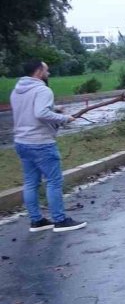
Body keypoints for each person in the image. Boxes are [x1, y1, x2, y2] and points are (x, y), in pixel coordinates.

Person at [10, 60, 87, 233]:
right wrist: (65, 118)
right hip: (41, 143)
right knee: (53, 182)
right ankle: (60, 221)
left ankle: (36, 221)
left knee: (31, 182)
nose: (48, 73)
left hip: (21, 142)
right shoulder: (43, 89)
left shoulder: (17, 90)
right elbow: (41, 113)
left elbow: (30, 111)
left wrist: (55, 109)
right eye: (47, 70)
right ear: (38, 72)